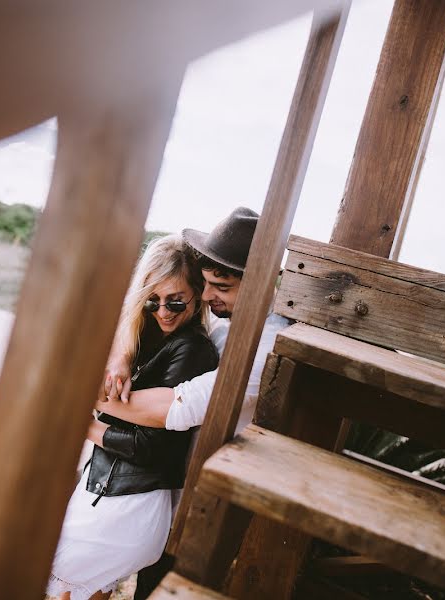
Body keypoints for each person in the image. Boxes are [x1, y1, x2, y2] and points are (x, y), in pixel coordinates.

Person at [96, 207, 291, 598]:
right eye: (205, 283)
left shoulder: (269, 346)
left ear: (264, 281)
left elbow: (178, 407)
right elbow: (138, 306)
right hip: (175, 484)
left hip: (212, 498)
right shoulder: (226, 319)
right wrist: (118, 355)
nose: (206, 296)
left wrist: (83, 397)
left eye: (220, 286)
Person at [46, 234, 219, 600]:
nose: (164, 312)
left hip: (130, 502)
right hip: (103, 492)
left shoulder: (192, 349)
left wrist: (82, 425)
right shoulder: (142, 336)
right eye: (152, 302)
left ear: (198, 292)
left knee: (65, 589)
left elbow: (153, 449)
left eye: (176, 300)